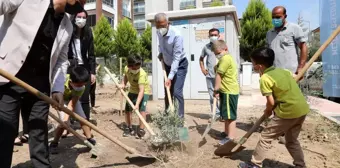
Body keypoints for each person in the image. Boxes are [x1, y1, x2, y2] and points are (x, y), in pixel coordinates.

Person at [0, 0, 84, 167]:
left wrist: (58, 89)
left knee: (39, 134)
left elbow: (61, 60)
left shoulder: (67, 25)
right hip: (10, 77)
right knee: (5, 134)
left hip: (40, 86)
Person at [239, 47, 309, 168]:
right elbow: (296, 77)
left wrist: (268, 111)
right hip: (302, 110)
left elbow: (270, 102)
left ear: (259, 66)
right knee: (291, 140)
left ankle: (255, 164)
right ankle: (300, 165)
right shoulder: (283, 71)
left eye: (253, 63)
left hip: (287, 112)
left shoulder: (265, 78)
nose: (253, 65)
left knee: (266, 137)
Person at [266, 6, 308, 144]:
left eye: (278, 17)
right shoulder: (269, 33)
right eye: (273, 17)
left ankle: (291, 134)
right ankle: (280, 131)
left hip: (291, 74)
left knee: (291, 102)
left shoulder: (294, 28)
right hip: (275, 74)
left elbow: (303, 46)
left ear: (285, 16)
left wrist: (301, 67)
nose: (275, 19)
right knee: (277, 102)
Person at [49, 66, 96, 154]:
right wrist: (66, 120)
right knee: (63, 123)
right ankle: (54, 143)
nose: (81, 86)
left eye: (83, 84)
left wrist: (68, 118)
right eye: (78, 85)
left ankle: (89, 139)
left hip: (73, 100)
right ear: (71, 82)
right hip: (60, 99)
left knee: (83, 119)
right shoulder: (61, 82)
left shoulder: (81, 87)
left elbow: (72, 104)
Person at [155, 13, 188, 118]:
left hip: (180, 64)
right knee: (167, 90)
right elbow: (161, 45)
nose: (161, 28)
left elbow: (176, 57)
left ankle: (179, 119)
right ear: (156, 25)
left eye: (164, 25)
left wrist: (170, 77)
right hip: (167, 63)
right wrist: (160, 53)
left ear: (168, 23)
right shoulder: (158, 32)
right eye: (159, 26)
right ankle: (168, 114)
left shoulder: (177, 35)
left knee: (177, 92)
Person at [68, 10, 96, 121]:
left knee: (85, 97)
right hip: (71, 67)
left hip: (85, 68)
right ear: (74, 17)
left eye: (84, 17)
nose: (81, 19)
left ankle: (85, 121)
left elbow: (92, 54)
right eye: (79, 16)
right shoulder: (68, 30)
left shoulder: (88, 32)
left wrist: (93, 72)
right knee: (71, 95)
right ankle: (69, 121)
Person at [211, 40, 239, 145]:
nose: (217, 55)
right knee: (226, 115)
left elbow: (219, 75)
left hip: (229, 91)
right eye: (215, 54)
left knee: (230, 116)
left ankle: (230, 138)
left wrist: (216, 89)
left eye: (218, 53)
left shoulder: (225, 59)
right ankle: (226, 133)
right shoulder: (224, 59)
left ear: (225, 49)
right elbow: (217, 71)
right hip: (226, 91)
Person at [120, 55, 151, 138]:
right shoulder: (127, 69)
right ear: (129, 66)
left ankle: (141, 129)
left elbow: (141, 91)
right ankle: (129, 127)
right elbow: (125, 76)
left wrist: (137, 104)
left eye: (138, 68)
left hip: (144, 92)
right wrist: (123, 84)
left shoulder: (142, 74)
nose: (136, 70)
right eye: (134, 68)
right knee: (127, 109)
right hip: (133, 90)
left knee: (141, 110)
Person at [199, 28, 221, 122]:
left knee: (222, 95)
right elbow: (201, 59)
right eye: (211, 35)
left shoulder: (222, 46)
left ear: (219, 36)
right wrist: (203, 69)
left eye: (215, 35)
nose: (213, 36)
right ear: (209, 36)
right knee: (212, 96)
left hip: (220, 75)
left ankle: (223, 114)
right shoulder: (206, 47)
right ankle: (215, 114)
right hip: (210, 76)